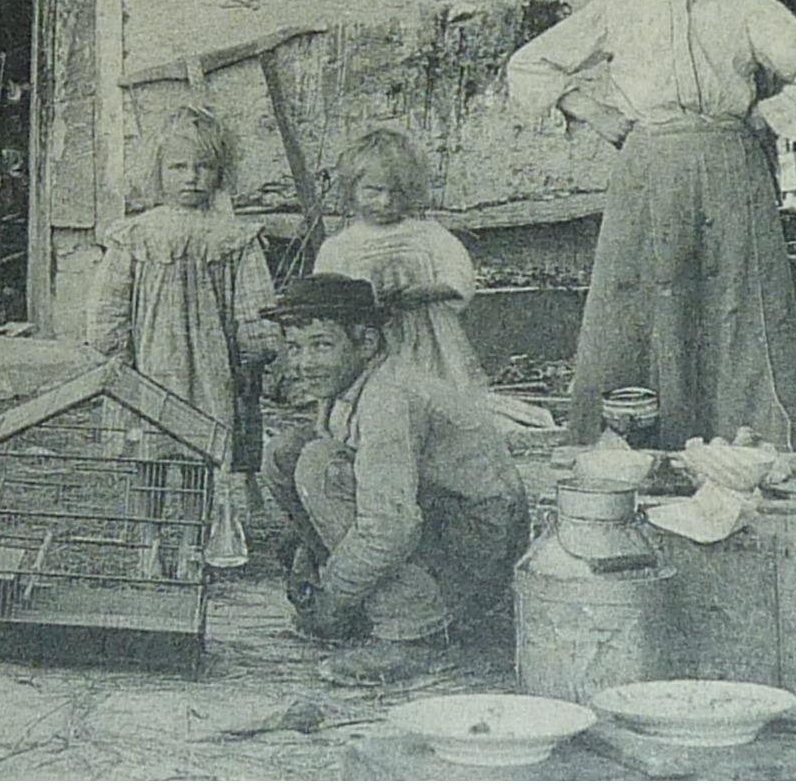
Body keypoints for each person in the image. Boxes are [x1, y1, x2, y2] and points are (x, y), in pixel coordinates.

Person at [505, 0, 796, 471]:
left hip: (730, 162)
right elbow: (530, 64)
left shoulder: (747, 8)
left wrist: (770, 114)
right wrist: (594, 111)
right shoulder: (617, 10)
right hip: (650, 165)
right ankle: (635, 447)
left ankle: (747, 448)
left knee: (738, 298)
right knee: (641, 294)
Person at [262, 274, 529, 686]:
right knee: (284, 453)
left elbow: (392, 525)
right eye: (295, 348)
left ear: (366, 343)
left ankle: (412, 632)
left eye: (321, 345)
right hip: (437, 517)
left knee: (321, 466)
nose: (304, 363)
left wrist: (333, 591)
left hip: (478, 543)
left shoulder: (390, 397)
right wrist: (305, 550)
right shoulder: (348, 385)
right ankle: (361, 606)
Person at [87, 105, 279, 481]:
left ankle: (197, 535)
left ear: (219, 172)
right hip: (148, 365)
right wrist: (113, 350)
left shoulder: (232, 236)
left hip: (212, 369)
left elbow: (255, 305)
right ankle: (147, 534)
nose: (191, 177)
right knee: (147, 451)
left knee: (201, 450)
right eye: (178, 167)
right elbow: (110, 301)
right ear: (158, 172)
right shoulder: (137, 234)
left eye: (203, 167)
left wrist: (253, 354)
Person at [314, 129, 485, 388]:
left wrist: (426, 291)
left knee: (435, 393)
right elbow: (325, 299)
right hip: (369, 341)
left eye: (396, 193)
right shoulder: (340, 246)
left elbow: (458, 275)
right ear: (352, 189)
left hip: (427, 340)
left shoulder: (428, 235)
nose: (385, 202)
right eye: (373, 191)